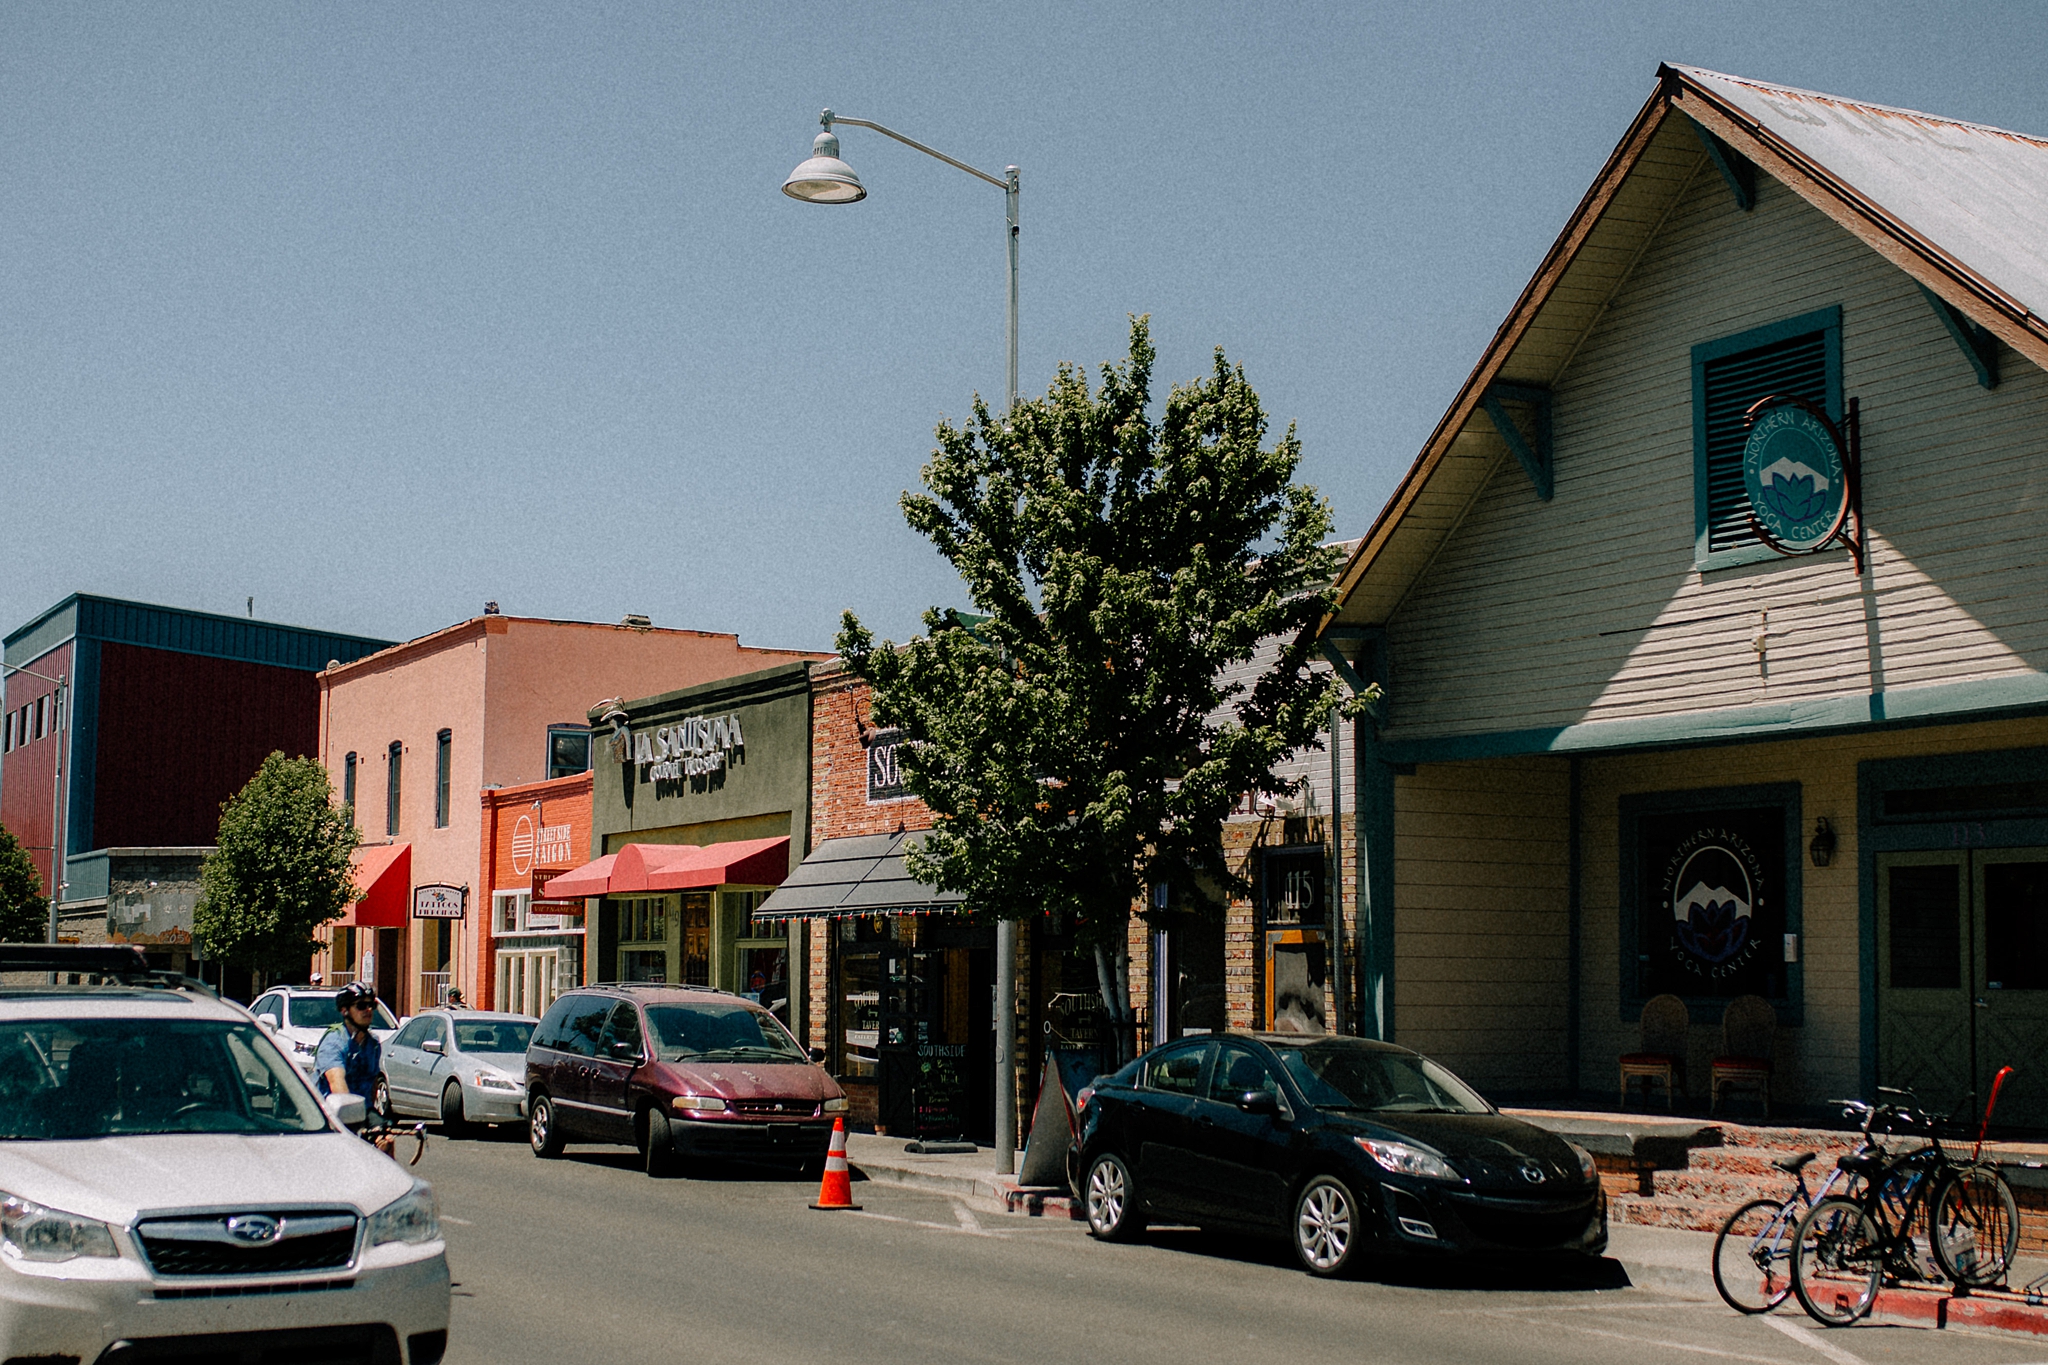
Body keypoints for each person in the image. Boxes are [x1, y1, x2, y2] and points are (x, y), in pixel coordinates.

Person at [316, 982, 392, 1153]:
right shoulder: (334, 1042)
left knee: (386, 1141)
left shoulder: (372, 1045)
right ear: (345, 1010)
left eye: (371, 1005)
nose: (368, 1010)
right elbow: (337, 1084)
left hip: (361, 1110)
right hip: (331, 1114)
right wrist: (358, 1122)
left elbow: (371, 1086)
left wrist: (375, 1124)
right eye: (361, 1006)